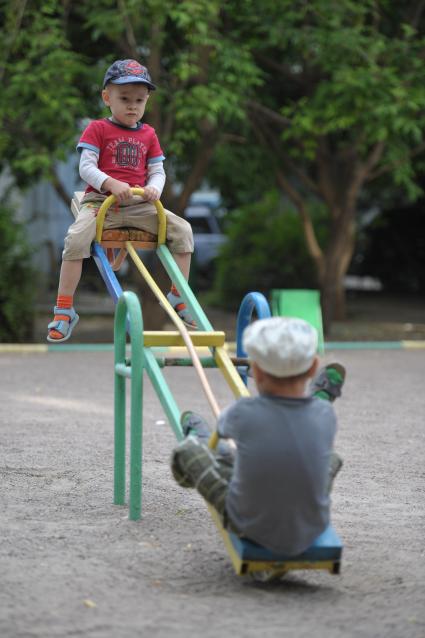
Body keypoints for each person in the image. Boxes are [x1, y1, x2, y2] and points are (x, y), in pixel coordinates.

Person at [47, 59, 195, 342]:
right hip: (101, 203)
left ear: (147, 101)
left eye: (139, 100)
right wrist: (110, 183)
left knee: (183, 231)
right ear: (107, 98)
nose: (132, 106)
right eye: (124, 98)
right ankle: (64, 310)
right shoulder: (97, 129)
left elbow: (157, 170)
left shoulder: (149, 134)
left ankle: (179, 296)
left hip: (139, 205)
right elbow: (86, 166)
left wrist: (154, 188)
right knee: (75, 239)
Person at [171, 317, 345, 556]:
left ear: (256, 370)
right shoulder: (326, 415)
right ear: (314, 367)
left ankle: (196, 436)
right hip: (311, 526)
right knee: (329, 459)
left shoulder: (244, 412)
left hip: (249, 525)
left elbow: (222, 428)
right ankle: (319, 395)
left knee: (190, 451)